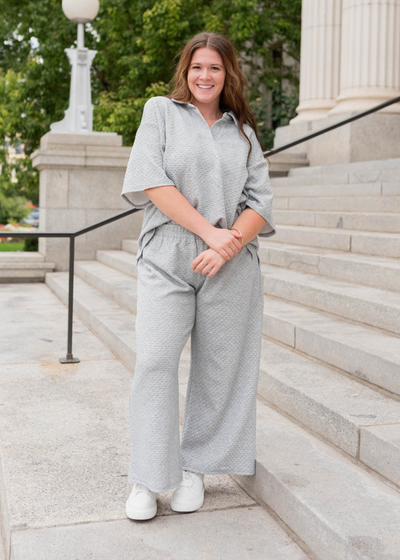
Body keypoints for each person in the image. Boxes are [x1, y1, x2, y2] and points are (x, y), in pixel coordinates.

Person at [121, 31, 276, 521]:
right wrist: (210, 232)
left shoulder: (244, 132)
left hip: (230, 261)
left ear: (228, 74)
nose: (205, 76)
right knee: (155, 362)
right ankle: (148, 476)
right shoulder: (160, 112)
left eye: (215, 68)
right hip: (168, 254)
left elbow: (260, 204)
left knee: (221, 369)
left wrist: (226, 244)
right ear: (185, 71)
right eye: (197, 67)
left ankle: (196, 468)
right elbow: (152, 180)